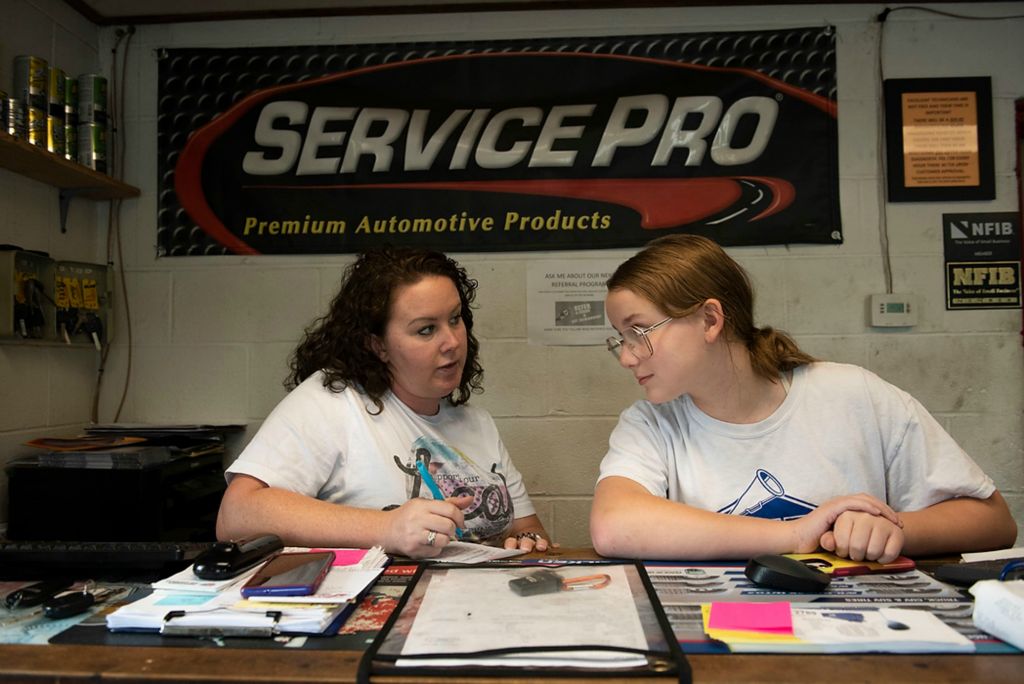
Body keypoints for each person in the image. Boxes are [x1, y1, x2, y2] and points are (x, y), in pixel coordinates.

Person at [590, 234, 1017, 562]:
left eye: (637, 332)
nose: (626, 357)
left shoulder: (853, 394)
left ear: (709, 319)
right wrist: (797, 535)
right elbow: (613, 525)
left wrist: (892, 528)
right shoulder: (652, 422)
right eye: (619, 340)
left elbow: (993, 521)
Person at [217, 247, 551, 558]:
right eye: (425, 330)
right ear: (378, 346)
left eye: (455, 319)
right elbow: (236, 515)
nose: (451, 342)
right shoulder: (333, 401)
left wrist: (528, 540)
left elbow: (526, 528)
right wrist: (386, 527)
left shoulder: (477, 422)